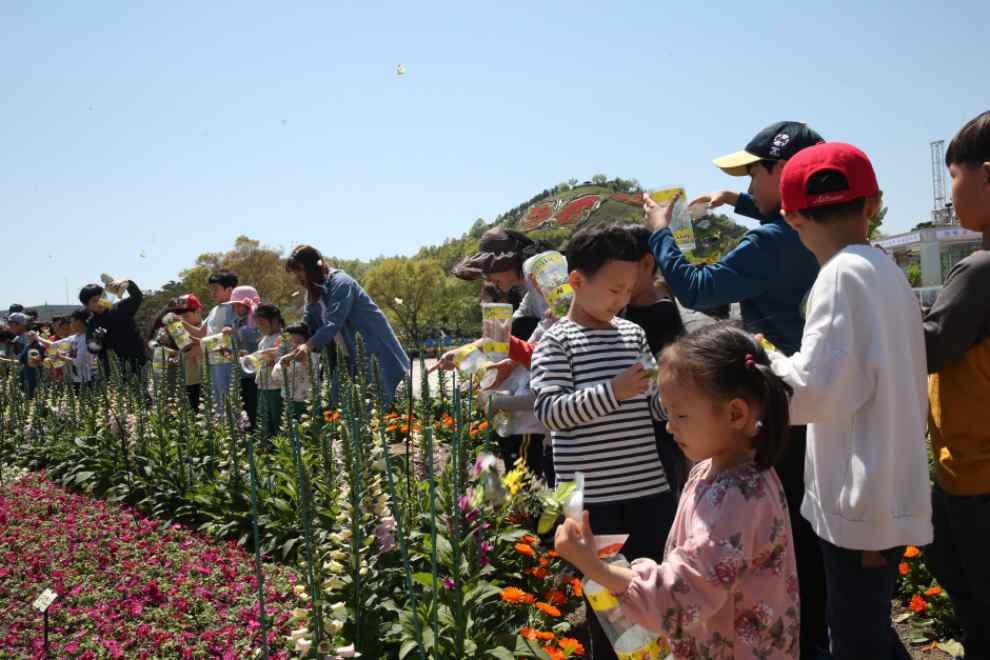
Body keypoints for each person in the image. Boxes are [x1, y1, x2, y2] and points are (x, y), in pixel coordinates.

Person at [643, 120, 827, 658]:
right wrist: (736, 204)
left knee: (780, 525)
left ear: (782, 173)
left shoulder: (770, 241)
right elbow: (776, 226)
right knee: (796, 537)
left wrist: (661, 231)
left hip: (778, 406)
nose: (746, 186)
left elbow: (699, 287)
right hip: (804, 401)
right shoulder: (804, 230)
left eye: (752, 175)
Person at [769, 143, 932, 659]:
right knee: (871, 631)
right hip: (885, 487)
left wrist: (762, 359)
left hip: (860, 501)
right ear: (875, 203)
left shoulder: (839, 275)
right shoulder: (882, 269)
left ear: (791, 217)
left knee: (857, 640)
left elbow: (814, 394)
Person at [555, 323, 800, 659]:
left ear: (735, 413)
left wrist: (595, 568)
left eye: (680, 414)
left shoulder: (737, 499)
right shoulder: (721, 471)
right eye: (667, 412)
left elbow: (682, 595)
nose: (669, 426)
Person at [530, 225, 675, 660]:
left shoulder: (632, 335)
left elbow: (654, 407)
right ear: (576, 280)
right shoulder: (556, 341)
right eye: (614, 289)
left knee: (656, 595)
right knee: (609, 609)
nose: (622, 300)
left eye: (628, 290)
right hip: (593, 501)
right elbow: (552, 412)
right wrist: (613, 391)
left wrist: (675, 398)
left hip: (649, 489)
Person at [922, 110, 990, 659]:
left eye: (956, 180)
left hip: (977, 471)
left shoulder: (980, 271)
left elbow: (926, 348)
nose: (953, 196)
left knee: (979, 609)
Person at [285, 245, 410, 405]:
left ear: (312, 266)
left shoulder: (341, 283)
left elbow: (333, 323)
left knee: (378, 404)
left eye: (299, 270)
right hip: (348, 357)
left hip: (374, 350)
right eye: (295, 272)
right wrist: (295, 343)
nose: (297, 277)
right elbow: (308, 323)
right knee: (339, 404)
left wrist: (308, 345)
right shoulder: (313, 293)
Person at [621, 224, 687, 499]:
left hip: (658, 439)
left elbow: (663, 378)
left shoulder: (662, 314)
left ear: (646, 263)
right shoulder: (625, 310)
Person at [452, 227, 546, 340]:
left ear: (507, 263)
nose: (488, 279)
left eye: (490, 270)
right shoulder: (530, 294)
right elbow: (508, 327)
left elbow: (557, 322)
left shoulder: (544, 274)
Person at [79, 278, 146, 376]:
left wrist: (128, 283)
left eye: (101, 297)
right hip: (114, 372)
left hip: (138, 363)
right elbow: (92, 349)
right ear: (87, 306)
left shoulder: (120, 308)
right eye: (94, 301)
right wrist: (96, 339)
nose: (99, 303)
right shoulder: (91, 322)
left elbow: (137, 297)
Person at [204, 271, 239, 410]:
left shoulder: (233, 307)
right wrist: (179, 323)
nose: (212, 293)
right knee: (217, 396)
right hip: (213, 358)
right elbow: (201, 332)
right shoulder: (213, 310)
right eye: (211, 290)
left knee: (228, 395)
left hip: (227, 359)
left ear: (229, 290)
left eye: (215, 289)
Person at [229, 285, 262, 430]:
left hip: (256, 372)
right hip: (242, 371)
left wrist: (238, 332)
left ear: (247, 305)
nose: (235, 309)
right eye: (234, 306)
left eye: (237, 305)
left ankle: (260, 431)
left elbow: (258, 337)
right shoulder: (237, 321)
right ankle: (252, 431)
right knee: (247, 403)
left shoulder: (257, 319)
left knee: (256, 403)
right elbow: (237, 343)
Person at [272, 323, 321, 419]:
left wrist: (290, 361)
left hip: (309, 401)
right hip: (289, 401)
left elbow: (310, 368)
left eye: (299, 341)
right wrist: (284, 362)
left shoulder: (313, 356)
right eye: (290, 342)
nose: (294, 345)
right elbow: (276, 376)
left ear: (307, 342)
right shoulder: (285, 358)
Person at [254, 303, 286, 439]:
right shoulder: (263, 340)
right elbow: (260, 358)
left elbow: (283, 357)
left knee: (278, 418)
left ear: (275, 320)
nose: (259, 326)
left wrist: (273, 357)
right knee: (264, 418)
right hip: (263, 385)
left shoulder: (282, 337)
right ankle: (268, 446)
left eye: (262, 322)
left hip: (276, 387)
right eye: (258, 323)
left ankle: (281, 444)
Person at [7, 312, 42, 397]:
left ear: (20, 324)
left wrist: (5, 360)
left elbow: (27, 359)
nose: (9, 326)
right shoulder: (17, 338)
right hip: (21, 375)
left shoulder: (30, 336)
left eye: (11, 323)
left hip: (30, 376)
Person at [67, 309, 95, 390]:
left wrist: (61, 357)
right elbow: (55, 344)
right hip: (76, 379)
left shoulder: (87, 339)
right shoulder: (74, 337)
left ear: (79, 322)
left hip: (86, 380)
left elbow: (78, 362)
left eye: (72, 322)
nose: (70, 324)